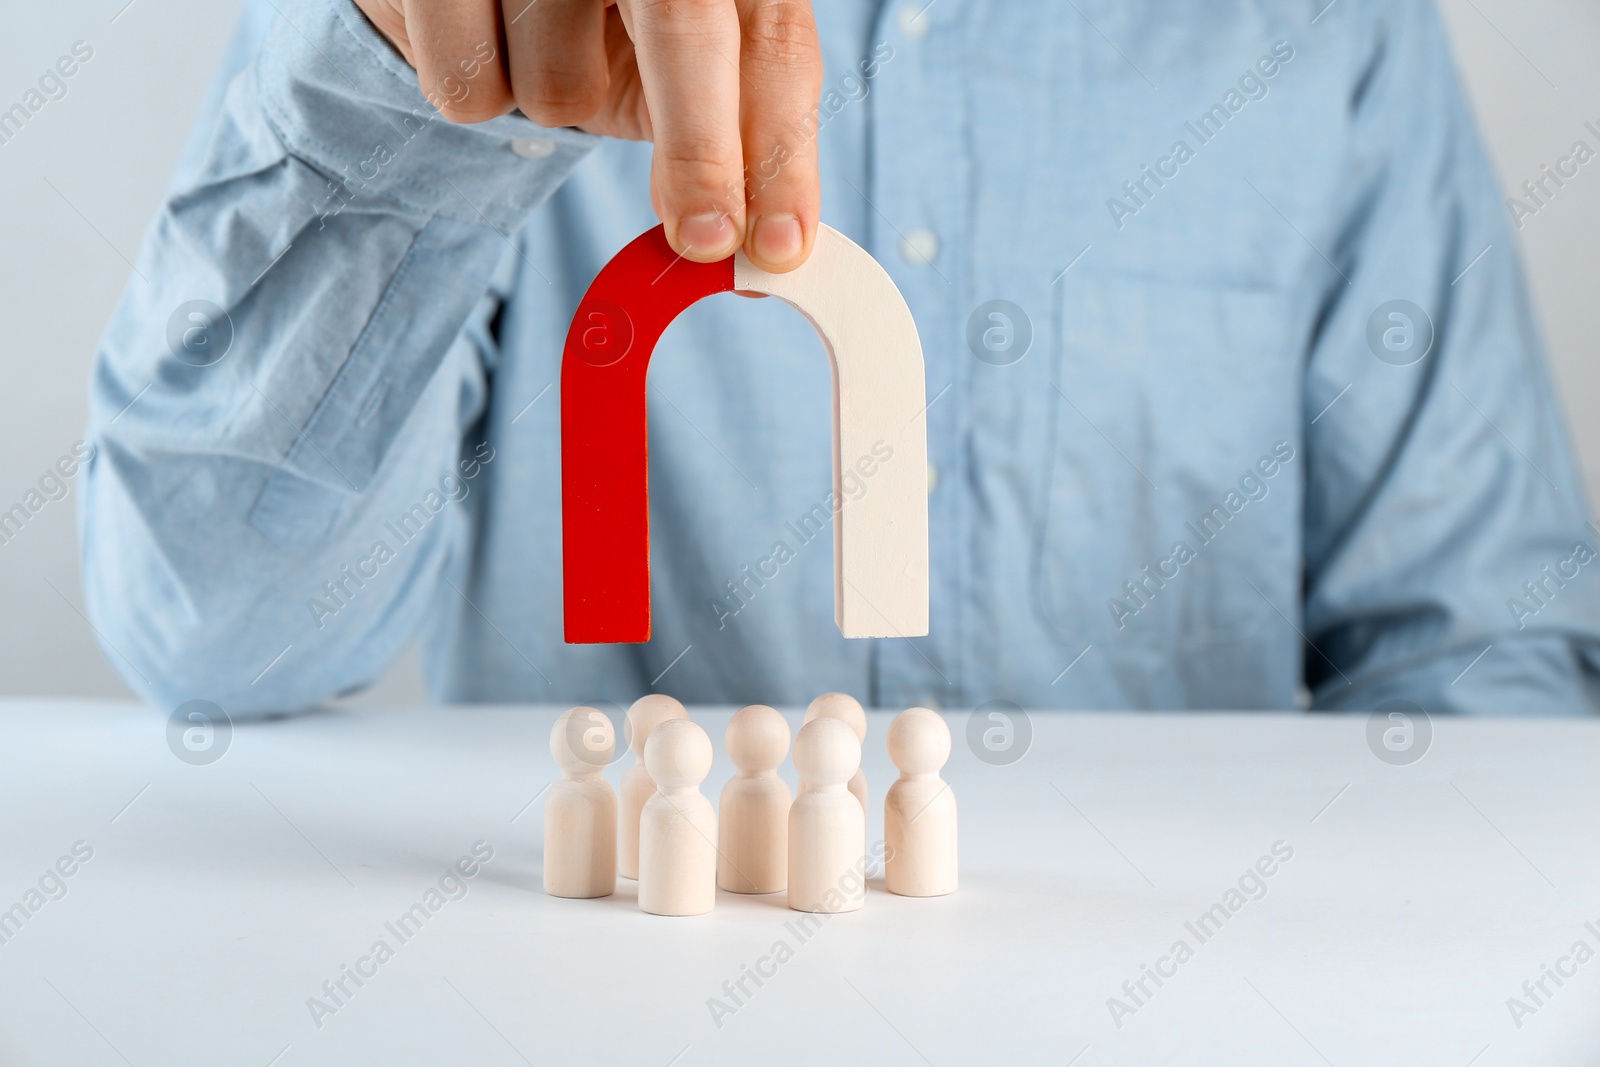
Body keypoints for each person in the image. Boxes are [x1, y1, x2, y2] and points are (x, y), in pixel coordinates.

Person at [81, 0, 1600, 714]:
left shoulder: (1329, 29)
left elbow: (1479, 655)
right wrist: (415, 87)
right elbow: (212, 639)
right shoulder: (457, 24)